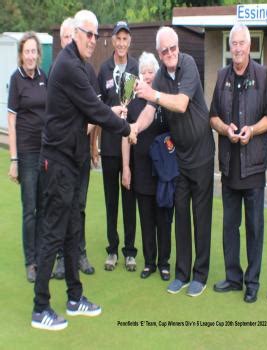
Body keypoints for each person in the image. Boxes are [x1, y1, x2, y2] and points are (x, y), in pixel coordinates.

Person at [31, 10, 137, 331]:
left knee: (72, 231)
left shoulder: (78, 65)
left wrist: (112, 113)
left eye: (95, 35)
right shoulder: (67, 66)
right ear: (76, 33)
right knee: (53, 233)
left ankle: (75, 298)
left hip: (72, 163)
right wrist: (125, 127)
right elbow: (94, 108)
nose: (93, 40)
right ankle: (41, 308)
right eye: (88, 34)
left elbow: (93, 108)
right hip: (58, 163)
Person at [135, 26, 215, 297]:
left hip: (202, 154)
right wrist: (134, 128)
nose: (170, 53)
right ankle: (182, 273)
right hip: (180, 157)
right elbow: (149, 110)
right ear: (159, 53)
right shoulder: (159, 76)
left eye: (173, 48)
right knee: (181, 214)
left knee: (200, 216)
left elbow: (180, 104)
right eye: (164, 50)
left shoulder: (189, 64)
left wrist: (152, 94)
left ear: (178, 47)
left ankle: (200, 275)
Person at [210, 23, 267, 303]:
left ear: (250, 47)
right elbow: (212, 117)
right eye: (233, 43)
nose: (237, 48)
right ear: (230, 47)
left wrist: (251, 130)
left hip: (254, 168)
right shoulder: (222, 75)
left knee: (254, 228)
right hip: (229, 166)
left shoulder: (261, 75)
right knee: (229, 226)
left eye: (241, 43)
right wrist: (225, 129)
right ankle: (233, 277)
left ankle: (252, 282)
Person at [122, 52, 173, 281]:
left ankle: (164, 263)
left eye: (151, 71)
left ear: (157, 73)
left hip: (162, 171)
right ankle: (150, 262)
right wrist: (126, 167)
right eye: (144, 72)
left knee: (163, 218)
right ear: (139, 76)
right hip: (141, 168)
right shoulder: (132, 102)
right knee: (146, 218)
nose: (148, 76)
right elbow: (126, 135)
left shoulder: (163, 99)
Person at [52, 17, 96, 280]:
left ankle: (79, 253)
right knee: (61, 206)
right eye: (66, 37)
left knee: (79, 205)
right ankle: (60, 258)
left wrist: (91, 145)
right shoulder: (61, 67)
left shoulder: (88, 71)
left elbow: (94, 113)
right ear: (63, 40)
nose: (70, 41)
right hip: (62, 154)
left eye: (73, 36)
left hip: (80, 152)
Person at [95, 21, 138, 272]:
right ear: (112, 40)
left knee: (129, 198)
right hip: (110, 146)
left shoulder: (134, 67)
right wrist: (95, 146)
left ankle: (130, 252)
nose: (121, 43)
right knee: (111, 201)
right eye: (118, 39)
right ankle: (112, 250)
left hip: (129, 143)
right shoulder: (104, 69)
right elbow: (97, 109)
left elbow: (136, 103)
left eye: (125, 39)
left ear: (129, 41)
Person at [7, 32, 47, 283]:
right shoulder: (16, 79)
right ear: (21, 55)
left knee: (44, 207)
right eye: (27, 52)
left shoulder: (45, 77)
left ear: (38, 55)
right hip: (27, 153)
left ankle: (42, 256)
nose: (31, 56)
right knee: (30, 209)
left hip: (46, 152)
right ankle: (30, 261)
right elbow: (11, 122)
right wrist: (14, 159)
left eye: (34, 52)